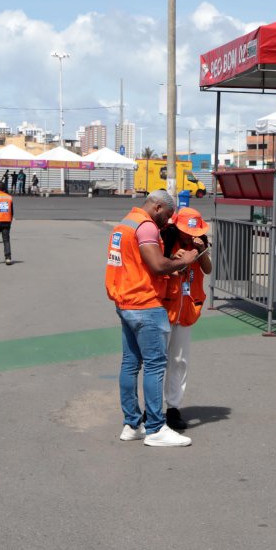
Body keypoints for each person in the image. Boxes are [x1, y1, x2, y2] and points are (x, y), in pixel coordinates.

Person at [105, 190, 195, 447]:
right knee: (156, 365)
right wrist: (184, 260)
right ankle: (156, 427)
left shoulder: (125, 224)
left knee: (130, 364)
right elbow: (156, 266)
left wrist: (169, 260)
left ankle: (132, 424)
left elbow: (138, 263)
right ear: (157, 207)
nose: (166, 222)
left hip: (125, 301)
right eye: (166, 215)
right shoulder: (146, 227)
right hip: (145, 303)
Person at [160, 207, 211, 431]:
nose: (190, 235)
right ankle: (150, 408)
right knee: (156, 361)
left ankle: (173, 407)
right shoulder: (165, 238)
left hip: (187, 308)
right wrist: (173, 258)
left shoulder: (199, 242)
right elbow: (156, 265)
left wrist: (202, 251)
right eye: (185, 231)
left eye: (193, 232)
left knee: (179, 360)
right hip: (164, 306)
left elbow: (207, 270)